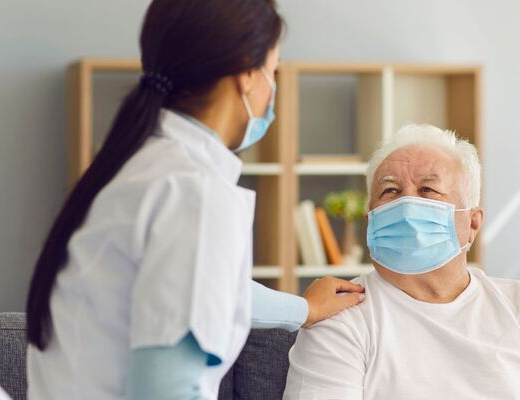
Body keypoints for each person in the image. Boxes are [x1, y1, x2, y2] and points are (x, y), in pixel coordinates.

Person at [25, 1, 364, 399]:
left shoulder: (137, 167)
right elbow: (166, 388)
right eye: (272, 72)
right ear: (246, 75)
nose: (272, 89)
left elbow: (203, 292)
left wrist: (303, 310)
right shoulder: (194, 192)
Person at [283, 124, 520, 400]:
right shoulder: (339, 316)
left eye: (427, 190)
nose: (407, 204)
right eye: (390, 191)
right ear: (370, 219)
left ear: (473, 223)